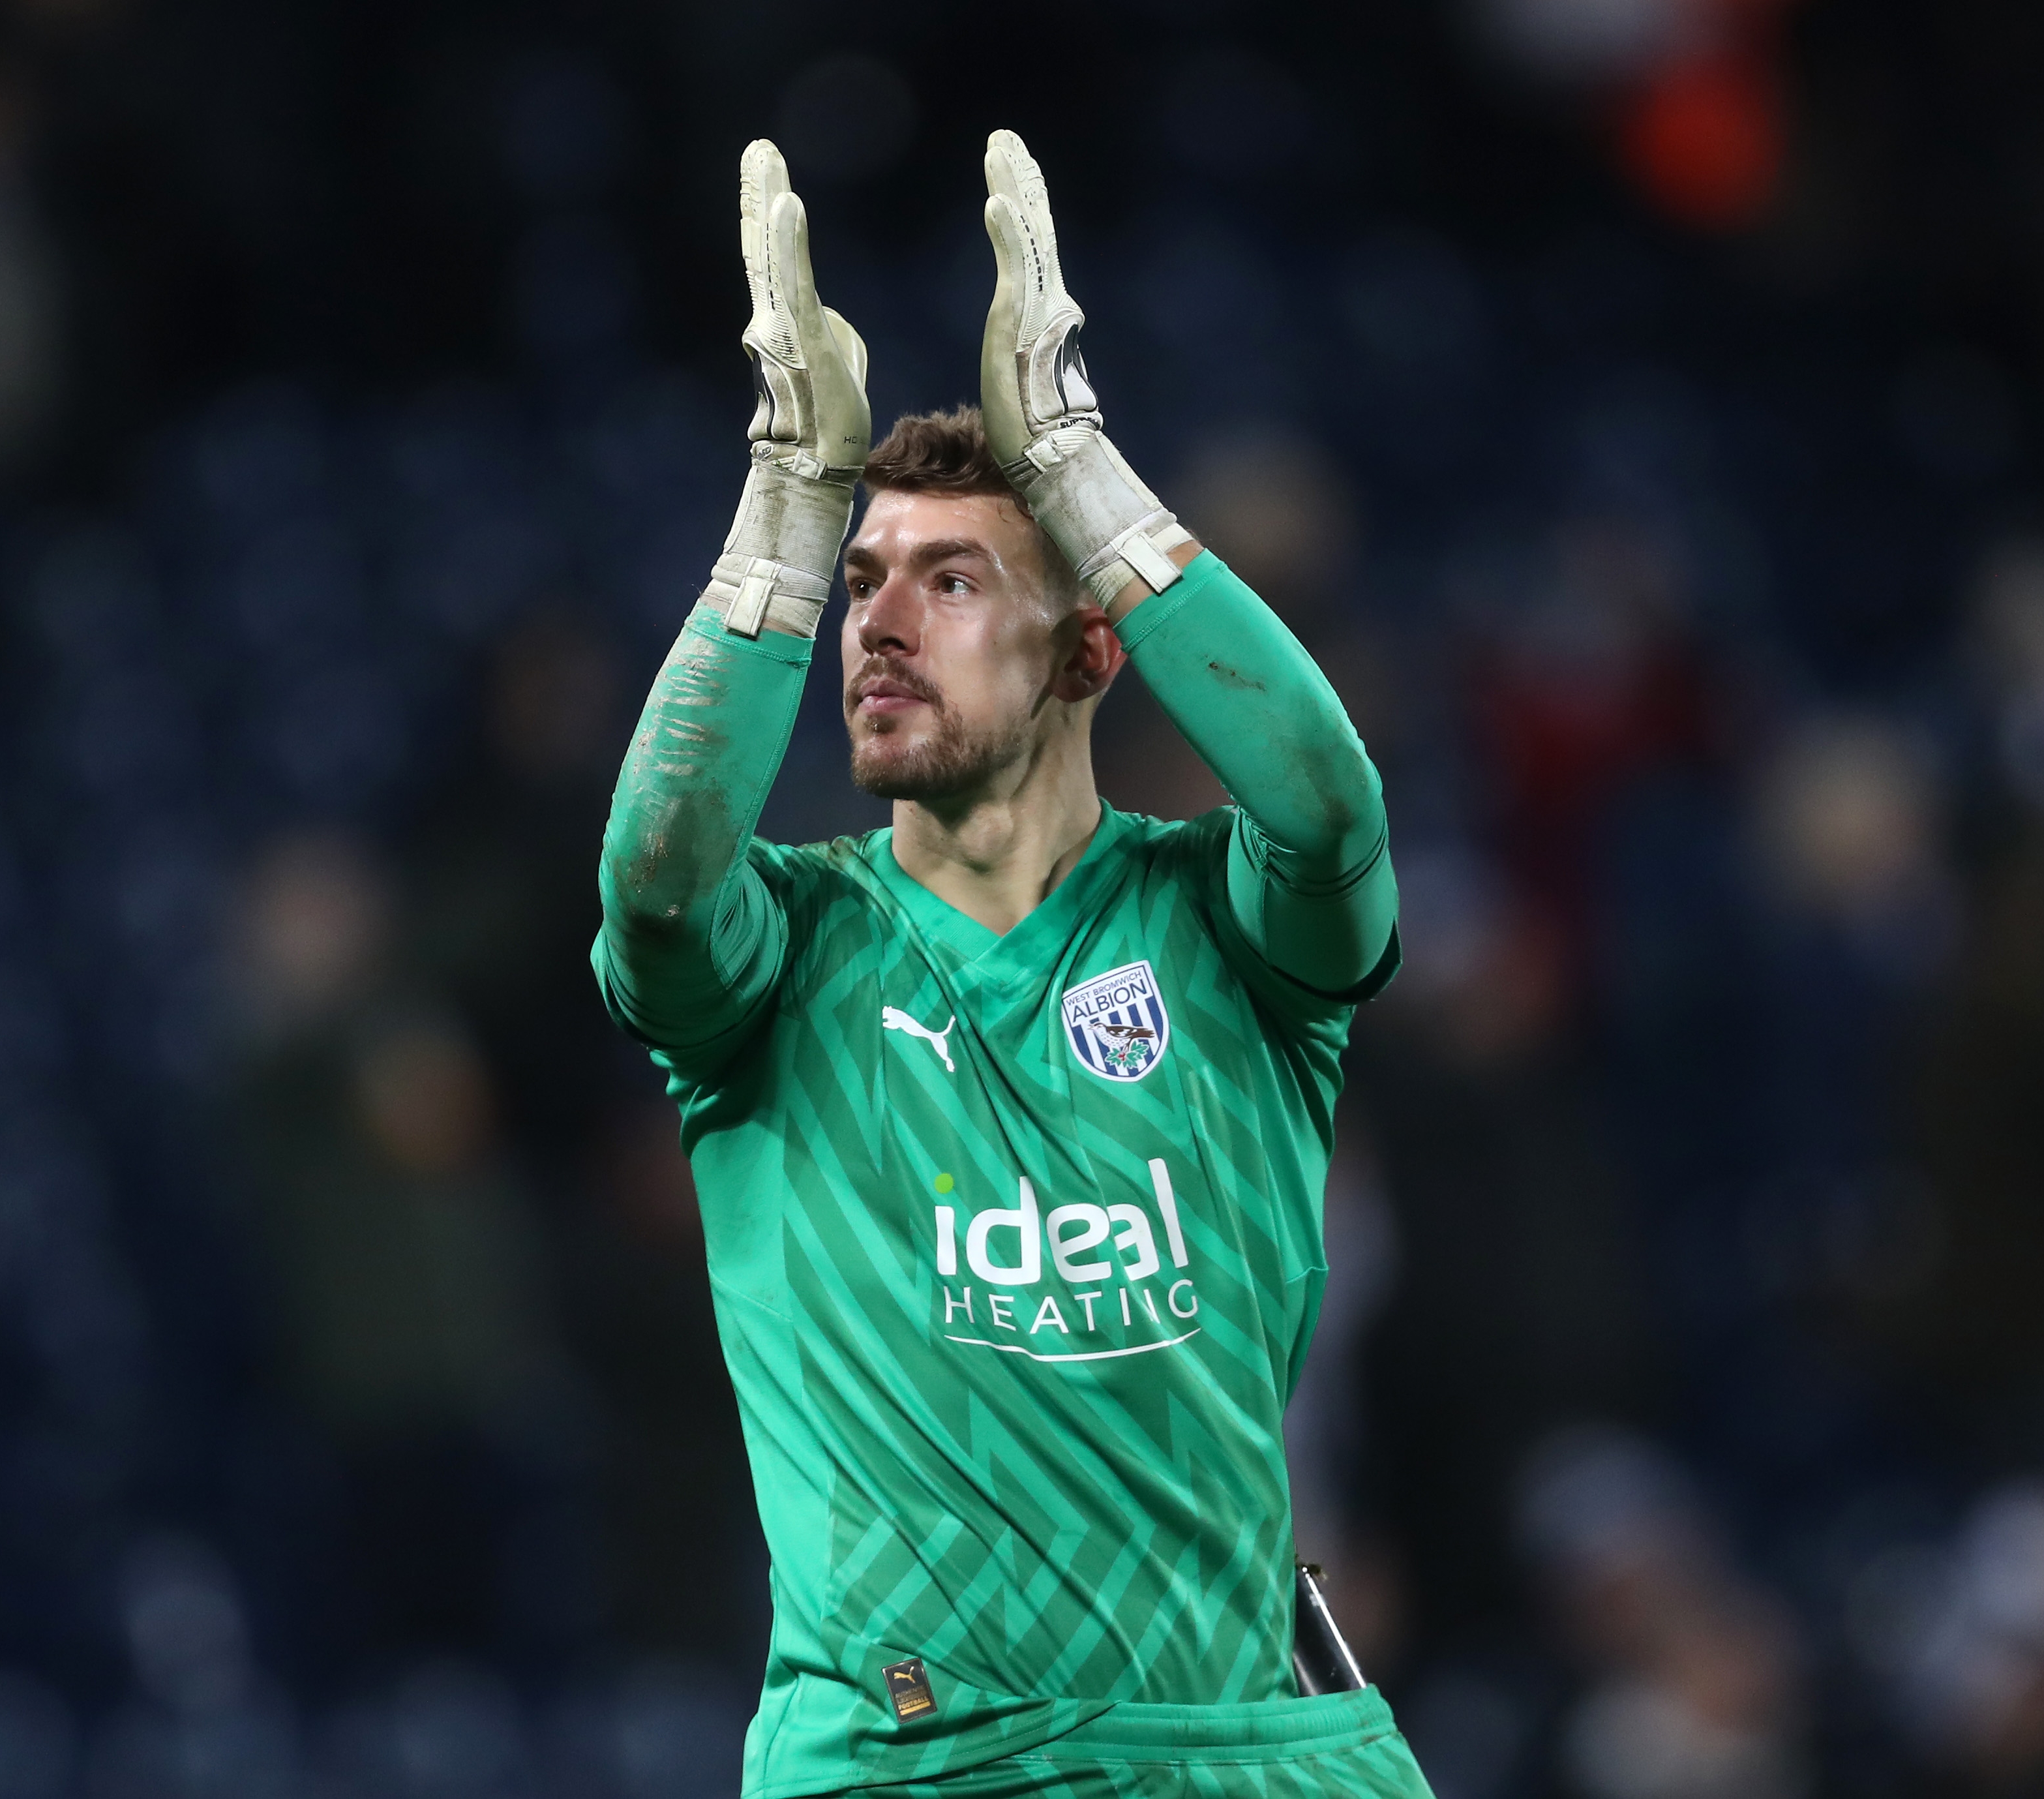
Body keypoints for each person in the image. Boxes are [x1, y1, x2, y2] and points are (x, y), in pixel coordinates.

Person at [592, 134, 1424, 1799]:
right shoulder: (788, 954)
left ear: (1089, 645)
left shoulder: (1222, 929)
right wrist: (784, 506)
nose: (878, 619)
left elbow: (1328, 804)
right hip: (910, 1765)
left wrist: (1074, 463)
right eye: (864, 582)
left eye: (952, 578)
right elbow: (657, 885)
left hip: (1241, 1749)